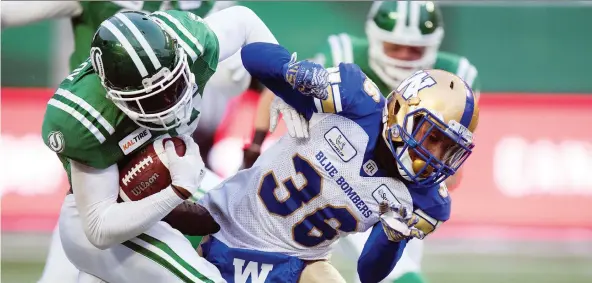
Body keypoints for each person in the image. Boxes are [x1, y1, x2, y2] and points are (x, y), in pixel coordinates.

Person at [197, 42, 479, 283]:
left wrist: (392, 241)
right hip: (224, 221)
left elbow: (369, 274)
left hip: (292, 263)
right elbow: (252, 55)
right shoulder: (355, 100)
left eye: (448, 148)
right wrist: (294, 73)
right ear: (403, 110)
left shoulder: (427, 200)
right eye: (432, 136)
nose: (436, 154)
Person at [41, 7, 278, 282]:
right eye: (152, 98)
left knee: (259, 220)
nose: (169, 103)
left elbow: (244, 21)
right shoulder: (85, 117)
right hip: (108, 220)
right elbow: (99, 227)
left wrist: (284, 83)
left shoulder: (190, 41)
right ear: (114, 94)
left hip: (170, 181)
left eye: (174, 85)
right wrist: (176, 191)